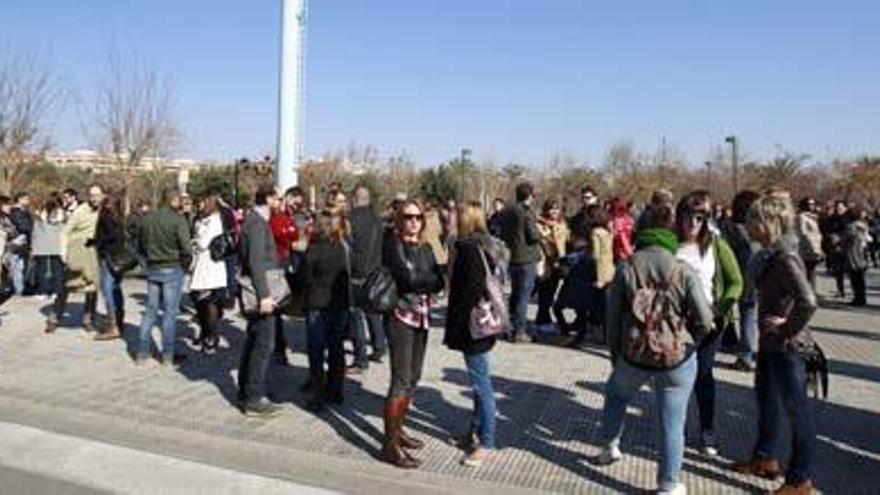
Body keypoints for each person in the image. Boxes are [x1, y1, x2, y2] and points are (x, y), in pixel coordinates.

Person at [595, 201, 714, 495]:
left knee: (615, 394)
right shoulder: (682, 270)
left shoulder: (627, 267)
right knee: (672, 422)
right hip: (676, 358)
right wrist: (690, 345)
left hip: (633, 355)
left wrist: (616, 356)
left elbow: (611, 321)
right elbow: (705, 319)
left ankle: (609, 446)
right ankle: (669, 484)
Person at [733, 191, 819, 495]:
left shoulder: (785, 258)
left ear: (770, 222)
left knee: (798, 413)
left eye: (754, 218)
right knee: (766, 402)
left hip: (787, 349)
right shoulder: (770, 254)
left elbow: (808, 301)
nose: (748, 223)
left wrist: (786, 328)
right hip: (771, 346)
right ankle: (764, 458)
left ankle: (799, 479)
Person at [674, 191, 743, 457]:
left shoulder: (715, 244)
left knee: (703, 374)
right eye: (688, 217)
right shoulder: (671, 245)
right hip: (677, 323)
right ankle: (675, 428)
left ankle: (707, 430)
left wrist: (721, 308)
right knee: (676, 377)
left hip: (710, 323)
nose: (692, 223)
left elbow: (736, 281)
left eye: (699, 218)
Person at [382, 199, 444, 469]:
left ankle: (399, 431)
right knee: (400, 379)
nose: (414, 222)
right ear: (399, 219)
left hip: (422, 316)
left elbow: (439, 280)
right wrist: (425, 279)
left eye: (418, 217)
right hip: (400, 316)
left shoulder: (426, 247)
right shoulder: (393, 244)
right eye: (408, 217)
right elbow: (407, 280)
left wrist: (425, 279)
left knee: (414, 378)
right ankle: (390, 444)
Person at [444, 201, 503, 467]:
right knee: (480, 380)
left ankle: (487, 441)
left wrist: (456, 312)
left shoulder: (468, 249)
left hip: (474, 326)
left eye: (457, 215)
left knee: (482, 385)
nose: (452, 219)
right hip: (485, 323)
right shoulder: (487, 244)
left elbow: (470, 290)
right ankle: (475, 432)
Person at [237, 184, 283, 417]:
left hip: (259, 290)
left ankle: (246, 391)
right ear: (269, 198)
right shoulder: (256, 223)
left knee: (254, 339)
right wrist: (265, 295)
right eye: (278, 198)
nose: (281, 203)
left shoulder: (254, 221)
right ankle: (254, 397)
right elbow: (256, 262)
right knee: (264, 344)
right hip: (260, 293)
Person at [135, 188, 192, 365]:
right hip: (172, 267)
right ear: (174, 200)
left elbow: (141, 245)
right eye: (179, 200)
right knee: (169, 314)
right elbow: (187, 248)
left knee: (150, 312)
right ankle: (167, 355)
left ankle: (142, 352)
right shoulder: (178, 219)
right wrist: (185, 266)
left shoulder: (147, 218)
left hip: (153, 268)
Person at [303, 208, 352, 411]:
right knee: (336, 348)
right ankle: (336, 390)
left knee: (316, 351)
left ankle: (318, 393)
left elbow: (305, 277)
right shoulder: (341, 247)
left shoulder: (314, 249)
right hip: (339, 303)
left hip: (317, 304)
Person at [46, 185, 103, 334]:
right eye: (92, 195)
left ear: (102, 195)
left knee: (92, 287)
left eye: (97, 195)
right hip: (75, 252)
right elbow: (65, 232)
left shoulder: (103, 210)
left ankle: (88, 319)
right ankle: (54, 318)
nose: (95, 198)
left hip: (92, 253)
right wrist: (64, 253)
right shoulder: (80, 211)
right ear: (88, 196)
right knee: (65, 287)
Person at [348, 184, 387, 371]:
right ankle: (379, 347)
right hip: (375, 271)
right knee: (373, 311)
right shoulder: (378, 220)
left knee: (356, 316)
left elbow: (348, 247)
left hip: (356, 273)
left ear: (354, 199)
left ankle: (360, 358)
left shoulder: (350, 219)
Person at [724, 190, 762, 372]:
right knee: (749, 313)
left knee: (746, 313)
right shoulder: (754, 228)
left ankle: (745, 355)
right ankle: (745, 351)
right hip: (755, 276)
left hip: (739, 276)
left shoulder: (731, 228)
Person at [499, 182, 541, 343]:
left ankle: (507, 328)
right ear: (530, 195)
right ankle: (520, 331)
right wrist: (541, 232)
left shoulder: (507, 211)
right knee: (524, 295)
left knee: (515, 294)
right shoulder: (526, 212)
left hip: (512, 257)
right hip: (526, 258)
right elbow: (533, 235)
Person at [189, 188, 228, 354]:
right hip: (201, 266)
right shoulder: (202, 219)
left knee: (209, 302)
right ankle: (206, 333)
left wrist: (195, 240)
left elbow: (203, 242)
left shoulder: (214, 220)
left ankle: (211, 336)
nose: (200, 205)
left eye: (202, 201)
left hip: (211, 266)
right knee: (200, 301)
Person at [93, 195, 129, 341]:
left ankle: (113, 325)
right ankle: (119, 322)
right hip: (119, 258)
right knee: (116, 288)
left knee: (107, 290)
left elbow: (112, 235)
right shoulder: (120, 218)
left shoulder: (106, 217)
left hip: (108, 256)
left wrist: (96, 241)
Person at [534, 198, 569, 333]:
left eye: (556, 208)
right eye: (551, 208)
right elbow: (543, 242)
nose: (554, 211)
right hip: (546, 262)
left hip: (558, 262)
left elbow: (566, 240)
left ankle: (543, 319)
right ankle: (542, 321)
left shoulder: (562, 223)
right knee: (545, 292)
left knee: (551, 292)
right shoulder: (540, 224)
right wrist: (551, 233)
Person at [30, 194, 65, 301]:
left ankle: (43, 291)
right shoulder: (62, 214)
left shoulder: (39, 214)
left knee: (41, 268)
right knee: (57, 269)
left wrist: (33, 245)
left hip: (41, 245)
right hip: (57, 244)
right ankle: (57, 291)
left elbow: (35, 232)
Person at [843, 207, 871, 307]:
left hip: (852, 252)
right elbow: (868, 239)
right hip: (862, 252)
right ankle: (862, 298)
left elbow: (845, 240)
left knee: (854, 277)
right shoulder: (864, 226)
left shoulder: (850, 227)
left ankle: (858, 298)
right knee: (860, 277)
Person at [796, 198, 824, 292]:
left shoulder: (813, 217)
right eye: (809, 204)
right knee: (808, 271)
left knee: (812, 271)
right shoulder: (801, 217)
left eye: (813, 204)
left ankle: (812, 291)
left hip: (816, 246)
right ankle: (808, 292)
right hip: (807, 248)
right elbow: (803, 233)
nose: (812, 206)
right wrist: (811, 247)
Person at [8, 192, 33, 295]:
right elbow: (23, 226)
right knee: (17, 266)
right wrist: (31, 229)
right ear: (20, 199)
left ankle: (21, 287)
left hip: (25, 243)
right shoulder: (15, 212)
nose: (28, 201)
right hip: (17, 242)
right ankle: (19, 290)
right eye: (26, 199)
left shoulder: (24, 212)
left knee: (23, 266)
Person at [609, 197, 635, 263]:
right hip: (626, 250)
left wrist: (629, 253)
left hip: (621, 253)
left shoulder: (616, 221)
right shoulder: (629, 219)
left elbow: (622, 238)